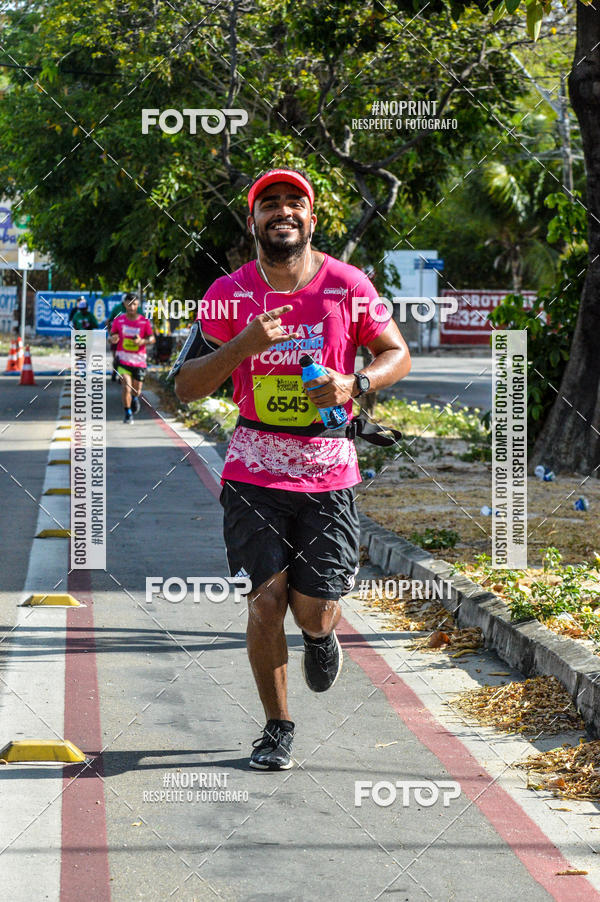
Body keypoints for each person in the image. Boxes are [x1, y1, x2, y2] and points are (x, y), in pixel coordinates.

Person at [172, 168, 411, 770]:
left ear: (311, 217)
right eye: (268, 203)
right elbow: (185, 387)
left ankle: (320, 633)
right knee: (263, 601)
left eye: (293, 202)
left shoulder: (348, 283)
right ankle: (277, 726)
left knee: (310, 608)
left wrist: (355, 382)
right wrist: (241, 347)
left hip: (329, 470)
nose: (282, 211)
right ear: (252, 221)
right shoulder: (228, 293)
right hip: (254, 467)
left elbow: (396, 353)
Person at [109, 293, 154, 423]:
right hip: (123, 359)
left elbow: (152, 338)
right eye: (129, 304)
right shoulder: (119, 320)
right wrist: (113, 339)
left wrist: (142, 341)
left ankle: (134, 398)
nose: (131, 307)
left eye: (134, 304)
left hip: (139, 360)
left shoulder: (144, 322)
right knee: (126, 387)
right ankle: (128, 413)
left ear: (138, 305)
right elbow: (112, 336)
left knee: (137, 389)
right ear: (124, 304)